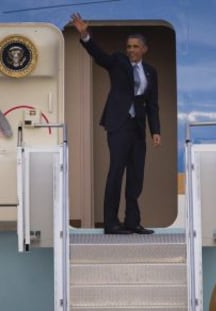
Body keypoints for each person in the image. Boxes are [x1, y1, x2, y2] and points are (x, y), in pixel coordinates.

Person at [71, 13, 161, 234]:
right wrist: (85, 36)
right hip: (118, 124)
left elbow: (153, 104)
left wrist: (155, 130)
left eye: (135, 47)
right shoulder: (119, 61)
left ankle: (132, 221)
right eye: (128, 46)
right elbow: (100, 56)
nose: (131, 50)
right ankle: (111, 223)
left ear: (144, 49)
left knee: (136, 176)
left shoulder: (151, 71)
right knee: (116, 172)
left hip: (138, 128)